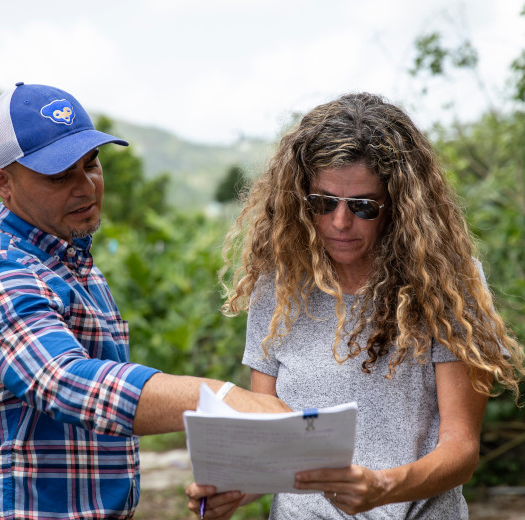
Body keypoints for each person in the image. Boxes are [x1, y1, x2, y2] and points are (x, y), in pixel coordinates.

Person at [0, 82, 291, 520]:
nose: (86, 187)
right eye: (59, 175)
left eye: (91, 164)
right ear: (2, 183)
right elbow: (64, 381)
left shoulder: (77, 265)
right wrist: (217, 397)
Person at [186, 92, 525, 519]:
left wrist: (383, 488)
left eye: (363, 206)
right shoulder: (277, 287)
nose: (340, 223)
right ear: (299, 199)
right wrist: (238, 488)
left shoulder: (445, 283)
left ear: (398, 206)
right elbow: (275, 450)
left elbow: (461, 449)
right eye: (323, 203)